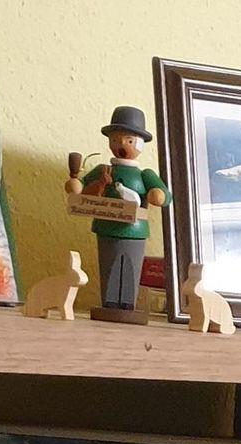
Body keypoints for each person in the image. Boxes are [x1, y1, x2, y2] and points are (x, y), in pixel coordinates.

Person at [65, 105, 168, 315]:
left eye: (129, 141)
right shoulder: (103, 170)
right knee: (109, 265)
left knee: (130, 266)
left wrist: (157, 194)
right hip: (107, 227)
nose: (121, 145)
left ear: (140, 143)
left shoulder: (144, 175)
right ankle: (109, 304)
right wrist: (78, 183)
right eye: (116, 139)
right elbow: (81, 188)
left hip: (134, 230)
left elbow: (164, 196)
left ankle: (128, 305)